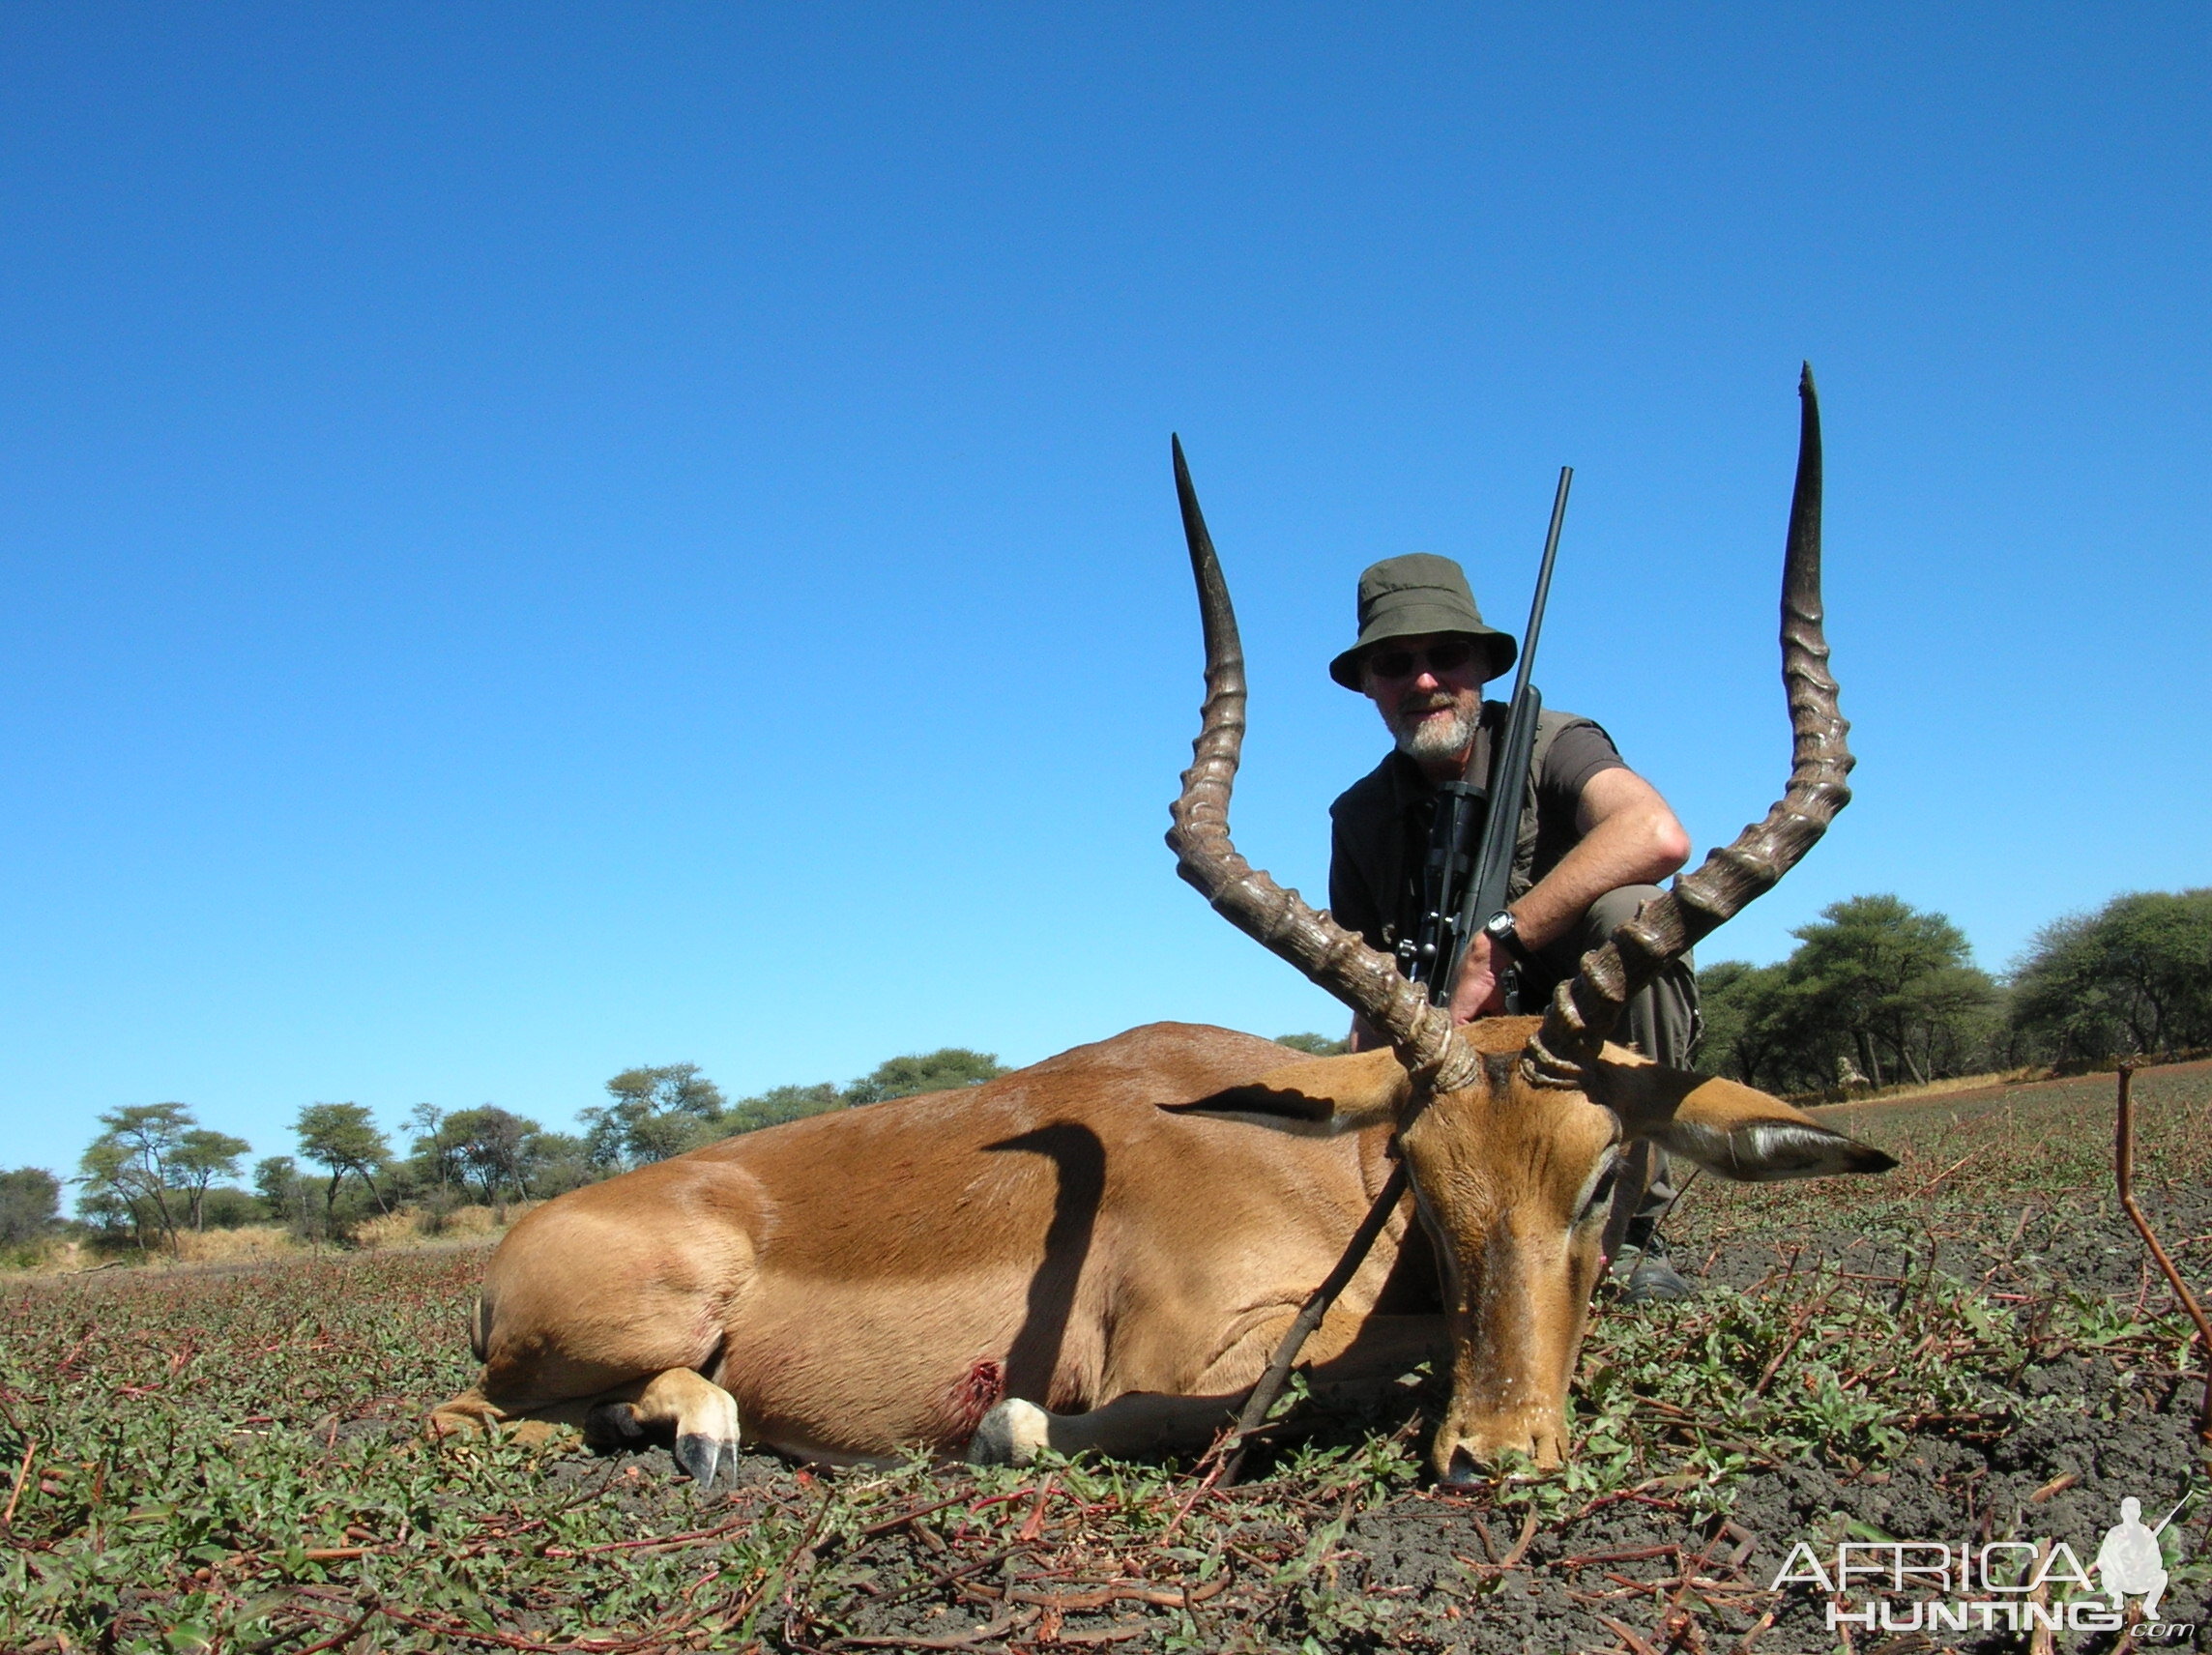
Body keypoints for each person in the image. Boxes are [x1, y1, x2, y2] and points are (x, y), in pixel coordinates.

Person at [1325, 553, 1700, 1301]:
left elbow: (1656, 834)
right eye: (1396, 663)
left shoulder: (1554, 743)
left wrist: (1496, 943)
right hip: (1452, 1072)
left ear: (1484, 666)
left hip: (1569, 1048)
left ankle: (1626, 1236)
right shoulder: (1359, 815)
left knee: (1633, 918)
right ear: (1369, 684)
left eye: (1446, 655)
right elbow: (1367, 998)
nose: (1424, 679)